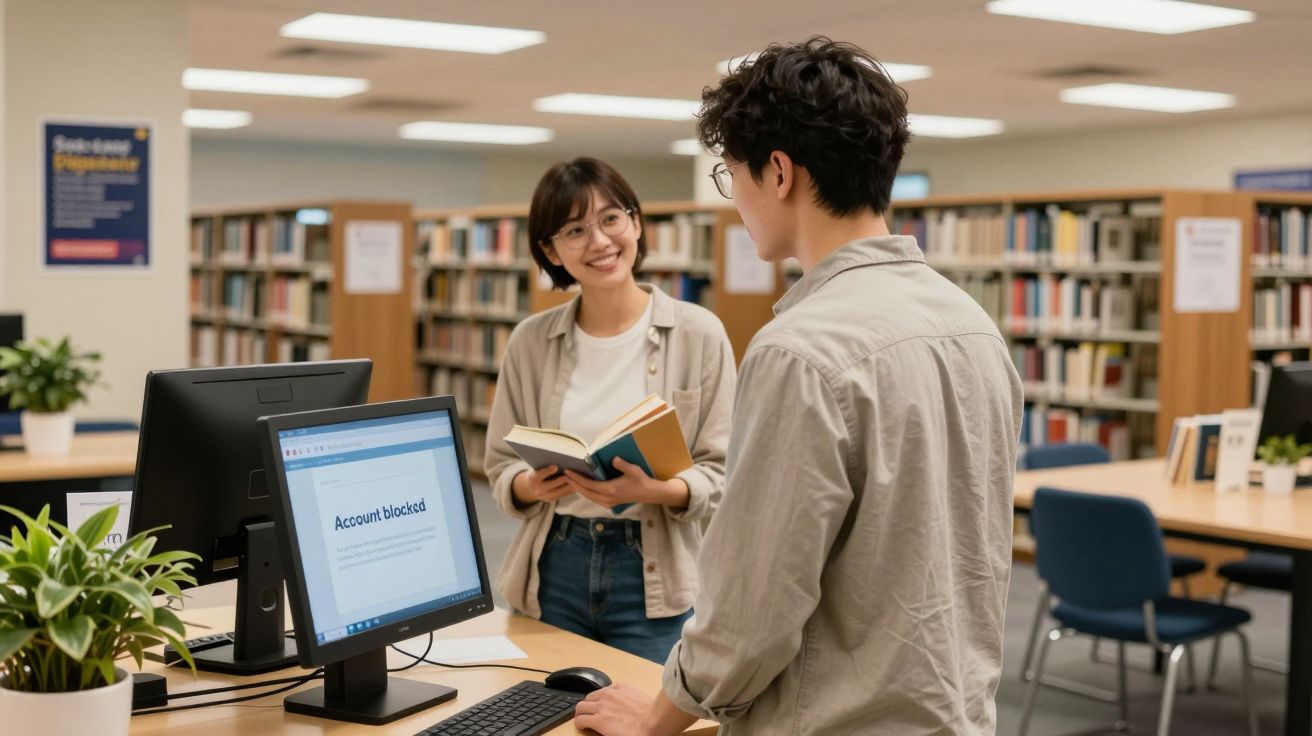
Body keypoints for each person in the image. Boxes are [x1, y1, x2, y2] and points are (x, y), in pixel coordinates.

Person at [575, 37, 1023, 734]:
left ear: (779, 173)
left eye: (732, 175)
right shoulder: (973, 325)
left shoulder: (800, 351)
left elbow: (752, 606)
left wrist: (657, 719)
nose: (736, 201)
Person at [484, 157, 736, 664]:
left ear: (636, 223)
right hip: (555, 560)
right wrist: (530, 485)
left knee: (647, 712)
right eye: (574, 230)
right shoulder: (530, 342)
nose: (599, 242)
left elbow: (724, 471)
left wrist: (656, 490)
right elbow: (498, 465)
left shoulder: (698, 333)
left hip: (655, 569)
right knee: (542, 709)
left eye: (611, 219)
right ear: (550, 250)